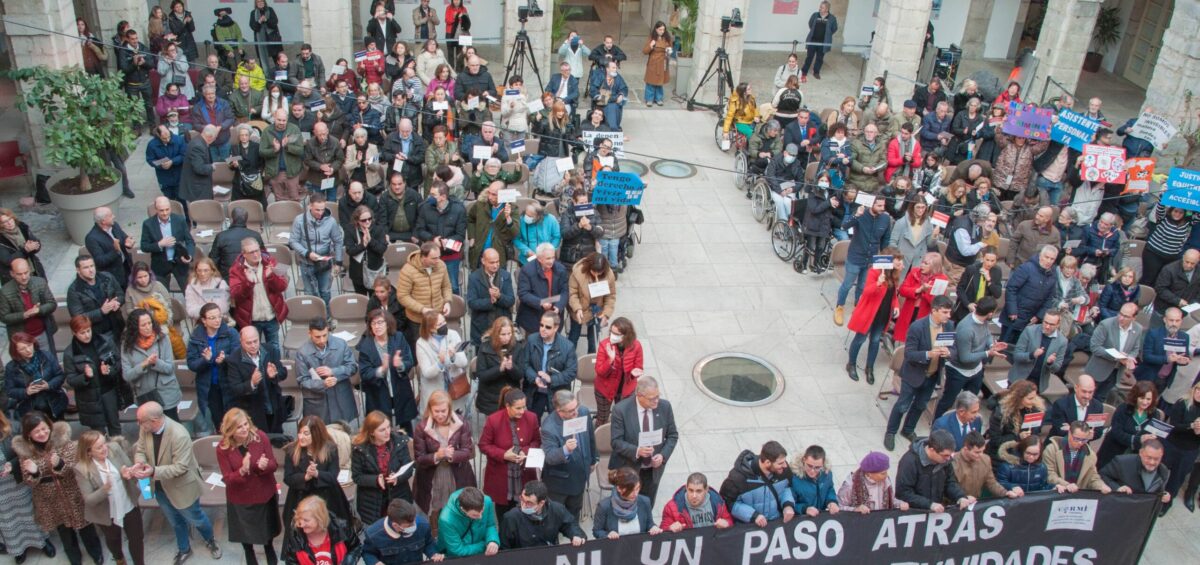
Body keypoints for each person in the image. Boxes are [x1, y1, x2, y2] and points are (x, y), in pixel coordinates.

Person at [131, 402, 222, 562]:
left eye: (140, 421)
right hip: (160, 487)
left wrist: (152, 471)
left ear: (154, 420)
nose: (137, 424)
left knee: (196, 518)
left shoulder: (179, 434)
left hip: (181, 487)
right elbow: (140, 450)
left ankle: (210, 540)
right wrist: (139, 463)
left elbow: (180, 468)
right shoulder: (145, 428)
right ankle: (184, 549)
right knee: (175, 520)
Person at [14, 414, 105, 565]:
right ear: (29, 435)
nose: (42, 433)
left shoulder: (65, 443)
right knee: (65, 532)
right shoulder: (26, 454)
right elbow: (29, 481)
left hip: (73, 492)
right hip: (50, 499)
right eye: (37, 432)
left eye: (44, 429)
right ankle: (74, 557)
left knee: (85, 526)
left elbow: (77, 467)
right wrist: (35, 472)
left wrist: (59, 464)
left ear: (49, 426)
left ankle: (96, 553)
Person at [884, 295, 955, 451]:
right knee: (902, 405)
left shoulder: (949, 326)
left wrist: (948, 353)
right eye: (945, 312)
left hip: (932, 375)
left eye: (949, 312)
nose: (948, 316)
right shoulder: (918, 327)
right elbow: (909, 354)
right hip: (914, 374)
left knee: (920, 405)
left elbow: (954, 349)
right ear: (934, 310)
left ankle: (908, 429)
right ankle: (890, 432)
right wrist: (928, 354)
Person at [215, 408, 281, 565]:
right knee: (244, 531)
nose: (245, 429)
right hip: (240, 496)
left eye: (246, 424)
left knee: (266, 529)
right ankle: (249, 551)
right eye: (239, 427)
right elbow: (228, 479)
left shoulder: (260, 437)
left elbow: (274, 464)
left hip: (263, 493)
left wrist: (263, 466)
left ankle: (268, 548)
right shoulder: (223, 448)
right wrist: (242, 471)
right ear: (230, 430)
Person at [74, 430, 144, 565]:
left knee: (136, 538)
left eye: (104, 443)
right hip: (107, 512)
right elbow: (89, 500)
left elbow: (132, 471)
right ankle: (119, 559)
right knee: (113, 539)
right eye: (99, 447)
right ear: (88, 452)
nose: (105, 448)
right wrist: (105, 489)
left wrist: (128, 474)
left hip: (128, 503)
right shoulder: (82, 468)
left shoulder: (115, 449)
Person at [610, 377, 677, 507]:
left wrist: (663, 455)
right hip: (629, 468)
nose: (656, 401)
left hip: (653, 470)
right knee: (625, 505)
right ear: (639, 395)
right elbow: (616, 442)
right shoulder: (621, 410)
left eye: (658, 396)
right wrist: (637, 451)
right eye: (652, 398)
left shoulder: (665, 407)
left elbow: (672, 435)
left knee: (647, 505)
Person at [412, 391, 476, 523]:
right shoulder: (422, 428)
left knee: (457, 509)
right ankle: (435, 536)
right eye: (436, 411)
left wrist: (451, 454)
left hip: (457, 474)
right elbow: (419, 458)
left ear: (449, 409)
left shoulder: (461, 423)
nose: (440, 415)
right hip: (432, 476)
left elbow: (467, 451)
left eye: (443, 411)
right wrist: (437, 455)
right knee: (433, 510)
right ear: (430, 409)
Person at [936, 297, 1006, 417]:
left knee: (971, 401)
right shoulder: (966, 328)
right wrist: (988, 353)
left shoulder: (983, 320)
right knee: (947, 401)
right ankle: (937, 424)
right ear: (990, 313)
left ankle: (964, 421)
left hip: (976, 370)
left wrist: (991, 345)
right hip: (958, 371)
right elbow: (965, 358)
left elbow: (987, 333)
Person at [478, 387, 540, 517]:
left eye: (524, 407)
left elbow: (536, 442)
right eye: (518, 408)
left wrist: (524, 451)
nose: (522, 411)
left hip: (524, 475)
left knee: (526, 516)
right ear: (507, 406)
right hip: (502, 477)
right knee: (504, 517)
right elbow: (483, 445)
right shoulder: (493, 420)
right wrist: (503, 454)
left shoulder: (532, 418)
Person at [282, 416, 352, 530]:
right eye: (299, 433)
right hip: (300, 497)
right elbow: (288, 478)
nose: (301, 437)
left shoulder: (330, 449)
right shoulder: (292, 451)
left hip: (327, 498)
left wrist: (317, 474)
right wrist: (305, 477)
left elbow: (333, 476)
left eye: (306, 433)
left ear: (316, 434)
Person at [846, 249, 903, 383]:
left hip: (882, 315)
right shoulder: (874, 272)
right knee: (860, 339)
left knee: (876, 341)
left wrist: (895, 306)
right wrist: (877, 283)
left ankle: (869, 367)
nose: (901, 264)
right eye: (898, 261)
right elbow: (866, 292)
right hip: (870, 314)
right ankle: (851, 364)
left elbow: (893, 294)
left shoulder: (893, 274)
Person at [539, 390, 598, 521]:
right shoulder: (549, 427)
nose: (576, 412)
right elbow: (549, 456)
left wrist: (593, 459)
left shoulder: (583, 412)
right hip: (560, 484)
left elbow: (590, 437)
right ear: (560, 412)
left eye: (576, 407)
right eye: (571, 411)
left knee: (574, 514)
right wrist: (565, 449)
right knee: (555, 518)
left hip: (580, 477)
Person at [834, 196, 892, 326]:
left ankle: (858, 305)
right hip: (855, 257)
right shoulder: (860, 213)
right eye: (879, 206)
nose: (882, 209)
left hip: (871, 259)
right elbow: (844, 226)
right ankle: (840, 306)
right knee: (847, 285)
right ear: (871, 205)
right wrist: (856, 215)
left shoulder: (885, 218)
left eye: (883, 205)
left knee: (862, 286)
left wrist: (884, 258)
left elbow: (885, 240)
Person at [351, 411, 415, 527]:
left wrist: (397, 478)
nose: (387, 432)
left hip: (398, 494)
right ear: (371, 432)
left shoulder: (399, 442)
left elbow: (408, 469)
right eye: (382, 430)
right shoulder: (360, 449)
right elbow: (357, 476)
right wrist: (375, 480)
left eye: (388, 427)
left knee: (398, 527)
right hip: (372, 500)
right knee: (378, 531)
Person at [63, 315, 123, 436]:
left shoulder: (105, 341)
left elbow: (118, 362)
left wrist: (109, 370)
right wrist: (85, 376)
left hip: (108, 390)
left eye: (88, 330)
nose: (87, 335)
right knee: (98, 432)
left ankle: (118, 451)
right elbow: (70, 379)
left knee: (115, 426)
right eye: (82, 333)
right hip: (89, 397)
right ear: (74, 333)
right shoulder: (70, 353)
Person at [229, 238, 289, 356]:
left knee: (274, 346)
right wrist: (248, 283)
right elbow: (235, 294)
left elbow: (283, 286)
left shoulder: (271, 262)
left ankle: (275, 371)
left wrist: (271, 277)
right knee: (253, 350)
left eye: (257, 250)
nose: (256, 254)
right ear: (244, 254)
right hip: (251, 318)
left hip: (271, 315)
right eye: (251, 252)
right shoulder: (236, 269)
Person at [120, 308, 182, 420]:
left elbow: (169, 368)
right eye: (143, 325)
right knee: (151, 430)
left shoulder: (163, 338)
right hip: (145, 394)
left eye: (149, 323)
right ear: (135, 327)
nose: (148, 327)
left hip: (166, 393)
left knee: (172, 427)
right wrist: (143, 365)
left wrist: (156, 362)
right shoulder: (127, 345)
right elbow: (127, 375)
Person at [296, 319, 360, 427]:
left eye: (325, 335)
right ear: (309, 333)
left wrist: (334, 371)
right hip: (318, 401)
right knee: (321, 435)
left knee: (343, 431)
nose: (322, 340)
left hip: (340, 395)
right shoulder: (302, 353)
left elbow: (353, 367)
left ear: (328, 331)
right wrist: (323, 384)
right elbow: (303, 381)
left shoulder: (341, 344)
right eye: (317, 337)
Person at [186, 303, 237, 434]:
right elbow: (191, 364)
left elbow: (239, 356)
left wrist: (226, 359)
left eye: (219, 316)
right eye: (212, 318)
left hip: (228, 383)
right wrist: (205, 360)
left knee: (233, 419)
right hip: (209, 387)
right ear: (204, 320)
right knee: (218, 420)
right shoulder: (196, 337)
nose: (217, 320)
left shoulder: (230, 333)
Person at [225, 326, 286, 434]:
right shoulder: (234, 360)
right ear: (241, 341)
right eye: (248, 343)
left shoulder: (269, 349)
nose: (253, 345)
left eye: (255, 341)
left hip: (274, 405)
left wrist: (274, 375)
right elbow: (235, 389)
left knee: (277, 440)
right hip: (253, 411)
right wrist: (251, 383)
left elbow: (283, 372)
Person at [719, 441, 797, 526]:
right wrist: (753, 516)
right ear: (767, 462)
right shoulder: (738, 478)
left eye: (784, 461)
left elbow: (786, 488)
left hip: (776, 525)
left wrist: (788, 505)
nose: (785, 466)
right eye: (780, 463)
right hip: (749, 528)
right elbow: (729, 503)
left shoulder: (784, 471)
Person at [896, 429, 975, 512]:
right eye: (945, 455)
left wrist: (960, 497)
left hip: (935, 511)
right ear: (932, 450)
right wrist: (929, 504)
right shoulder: (909, 462)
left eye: (950, 455)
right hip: (915, 512)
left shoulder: (945, 461)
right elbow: (903, 493)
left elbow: (950, 482)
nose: (949, 458)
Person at [1085, 302, 1145, 404]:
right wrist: (1117, 357)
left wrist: (1129, 358)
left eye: (1126, 316)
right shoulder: (1106, 325)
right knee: (1086, 398)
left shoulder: (1138, 329)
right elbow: (1095, 347)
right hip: (1098, 370)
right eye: (1120, 314)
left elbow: (1135, 349)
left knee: (1100, 399)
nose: (1121, 318)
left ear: (1133, 318)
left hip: (1116, 372)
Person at [520, 311, 576, 419]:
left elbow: (571, 372)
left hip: (557, 390)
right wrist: (535, 378)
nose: (543, 329)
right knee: (533, 422)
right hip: (535, 389)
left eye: (548, 327)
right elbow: (525, 364)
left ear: (556, 328)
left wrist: (551, 379)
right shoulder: (532, 340)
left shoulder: (568, 346)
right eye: (541, 325)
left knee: (558, 424)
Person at [500, 480, 586, 549]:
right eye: (522, 499)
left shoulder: (556, 510)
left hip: (549, 554)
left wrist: (576, 535)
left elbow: (570, 524)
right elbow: (504, 548)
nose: (523, 505)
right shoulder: (511, 517)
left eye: (529, 503)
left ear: (541, 503)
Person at [1001, 245, 1060, 345]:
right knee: (1004, 347)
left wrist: (1039, 316)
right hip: (1014, 317)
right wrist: (1012, 311)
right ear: (1040, 256)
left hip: (1031, 320)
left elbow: (1050, 297)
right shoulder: (1026, 268)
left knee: (1021, 349)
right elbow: (1011, 288)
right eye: (1047, 257)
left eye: (1052, 259)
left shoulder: (1053, 273)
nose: (1049, 261)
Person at [1098, 381, 1161, 470]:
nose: (1145, 402)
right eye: (1142, 398)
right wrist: (1136, 439)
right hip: (1114, 451)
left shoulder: (1154, 414)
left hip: (1134, 456)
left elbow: (1154, 433)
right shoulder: (1123, 408)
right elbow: (1116, 432)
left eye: (1148, 399)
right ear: (1135, 397)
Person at [282, 495, 361, 565]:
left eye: (306, 520)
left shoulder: (341, 528)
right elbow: (291, 561)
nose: (301, 524)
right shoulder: (295, 535)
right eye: (299, 519)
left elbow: (356, 548)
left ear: (320, 518)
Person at [5, 332, 67, 421]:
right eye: (23, 349)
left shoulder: (46, 356)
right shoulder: (11, 367)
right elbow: (10, 391)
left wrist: (48, 385)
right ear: (16, 351)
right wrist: (26, 392)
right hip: (30, 409)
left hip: (54, 403)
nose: (28, 350)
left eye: (29, 345)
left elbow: (60, 375)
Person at [0, 258, 57, 354]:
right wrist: (24, 315)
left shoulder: (40, 282)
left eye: (26, 272)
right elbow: (4, 317)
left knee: (48, 361)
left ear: (30, 270)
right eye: (19, 274)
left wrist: (39, 310)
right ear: (12, 274)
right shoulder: (5, 292)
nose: (24, 277)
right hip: (23, 339)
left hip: (43, 333)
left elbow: (52, 303)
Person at [67, 255, 126, 348]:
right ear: (78, 270)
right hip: (96, 334)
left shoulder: (107, 277)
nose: (91, 270)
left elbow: (121, 294)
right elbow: (78, 318)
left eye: (92, 266)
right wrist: (101, 311)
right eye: (86, 267)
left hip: (117, 327)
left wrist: (117, 302)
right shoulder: (74, 290)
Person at [593, 317, 643, 426]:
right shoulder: (604, 344)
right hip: (605, 389)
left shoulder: (636, 346)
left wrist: (633, 374)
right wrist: (610, 360)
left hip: (626, 390)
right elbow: (599, 371)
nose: (612, 336)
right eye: (611, 332)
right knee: (602, 419)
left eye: (616, 334)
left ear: (626, 335)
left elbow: (638, 366)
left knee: (622, 419)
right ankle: (598, 439)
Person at [893, 251, 950, 344]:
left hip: (924, 314)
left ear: (934, 266)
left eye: (926, 263)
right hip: (908, 310)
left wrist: (926, 292)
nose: (922, 265)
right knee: (902, 339)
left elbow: (936, 302)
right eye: (922, 262)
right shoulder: (914, 272)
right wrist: (917, 290)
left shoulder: (941, 279)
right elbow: (903, 290)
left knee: (917, 340)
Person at [361, 498, 441, 564]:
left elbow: (429, 543)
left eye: (414, 521)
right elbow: (367, 553)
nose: (414, 526)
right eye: (409, 526)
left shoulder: (422, 525)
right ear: (395, 525)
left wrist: (433, 553)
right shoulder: (373, 534)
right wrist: (375, 562)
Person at [1160, 381, 1200, 514]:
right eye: (1198, 389)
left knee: (1176, 480)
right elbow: (1174, 425)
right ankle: (1151, 497)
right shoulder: (1182, 402)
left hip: (1189, 451)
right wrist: (1191, 426)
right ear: (1194, 389)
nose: (1199, 393)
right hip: (1172, 444)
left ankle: (1166, 503)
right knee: (1160, 473)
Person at [140, 195, 194, 293]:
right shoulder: (148, 224)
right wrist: (159, 244)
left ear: (170, 208)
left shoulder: (180, 220)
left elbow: (189, 241)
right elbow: (144, 246)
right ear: (156, 209)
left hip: (179, 262)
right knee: (162, 295)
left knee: (189, 293)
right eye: (161, 210)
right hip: (160, 264)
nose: (165, 213)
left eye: (167, 209)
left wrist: (189, 255)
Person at [474, 316, 524, 418]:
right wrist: (499, 369)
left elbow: (520, 375)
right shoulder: (484, 347)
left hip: (510, 395)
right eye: (503, 334)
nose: (506, 337)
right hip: (489, 397)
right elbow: (482, 375)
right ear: (496, 334)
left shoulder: (517, 347)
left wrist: (512, 368)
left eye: (509, 334)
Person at [1044, 420, 1111, 494]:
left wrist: (1101, 486)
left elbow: (1092, 477)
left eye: (1084, 440)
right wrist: (1066, 485)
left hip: (1078, 496)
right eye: (1077, 439)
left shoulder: (1090, 455)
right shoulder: (1052, 449)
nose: (1080, 443)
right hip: (1057, 494)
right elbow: (1049, 474)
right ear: (1069, 433)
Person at [986, 379, 1045, 462]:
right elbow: (995, 441)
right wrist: (1018, 437)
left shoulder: (1035, 410)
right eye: (1030, 398)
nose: (1033, 401)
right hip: (1002, 456)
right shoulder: (1000, 413)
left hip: (1024, 454)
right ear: (1018, 398)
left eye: (1035, 397)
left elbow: (1036, 432)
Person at [593, 467, 661, 539]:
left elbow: (649, 524)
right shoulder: (604, 506)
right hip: (615, 548)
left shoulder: (644, 501)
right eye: (631, 490)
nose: (635, 494)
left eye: (637, 488)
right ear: (619, 488)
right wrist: (607, 535)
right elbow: (597, 531)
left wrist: (653, 527)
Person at [465, 248, 515, 346]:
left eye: (497, 262)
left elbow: (511, 300)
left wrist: (499, 296)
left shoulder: (505, 276)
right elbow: (472, 302)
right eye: (492, 262)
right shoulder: (474, 277)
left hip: (502, 327)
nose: (496, 265)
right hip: (481, 327)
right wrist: (490, 301)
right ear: (483, 261)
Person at [1009, 310, 1069, 390]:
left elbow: (1057, 368)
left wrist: (1050, 363)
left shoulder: (1062, 341)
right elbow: (1016, 355)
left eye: (1051, 324)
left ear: (1058, 325)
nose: (1047, 326)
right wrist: (1032, 355)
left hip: (1038, 383)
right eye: (1045, 322)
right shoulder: (1029, 331)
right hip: (1019, 378)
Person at [1141, 204, 1200, 286]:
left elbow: (1198, 216)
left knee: (1161, 281)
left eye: (1181, 212)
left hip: (1171, 257)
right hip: (1153, 253)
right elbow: (1160, 207)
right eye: (1175, 211)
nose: (1177, 214)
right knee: (1148, 279)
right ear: (1171, 211)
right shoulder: (1163, 217)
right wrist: (1164, 196)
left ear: (1184, 214)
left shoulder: (1188, 222)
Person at [1100, 439, 1171, 507]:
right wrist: (1117, 488)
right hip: (1117, 507)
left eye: (1156, 459)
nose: (1152, 462)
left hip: (1141, 514)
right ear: (1140, 453)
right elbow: (1102, 475)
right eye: (1149, 458)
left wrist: (1163, 495)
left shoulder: (1163, 471)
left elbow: (1158, 492)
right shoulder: (1122, 462)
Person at [1136, 307, 1192, 391]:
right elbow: (1146, 356)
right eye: (1171, 320)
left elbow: (1185, 355)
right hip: (1148, 376)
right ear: (1165, 319)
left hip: (1164, 380)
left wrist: (1184, 361)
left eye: (1177, 321)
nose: (1174, 324)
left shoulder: (1184, 337)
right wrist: (1167, 359)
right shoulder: (1153, 333)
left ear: (1181, 321)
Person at [952, 431, 1018, 500]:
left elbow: (991, 483)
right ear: (966, 449)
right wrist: (962, 497)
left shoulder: (985, 459)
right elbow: (951, 487)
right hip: (955, 504)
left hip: (975, 502)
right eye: (977, 452)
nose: (981, 455)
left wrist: (1005, 492)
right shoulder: (953, 462)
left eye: (983, 451)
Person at [439, 486, 500, 558]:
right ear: (463, 509)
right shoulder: (446, 519)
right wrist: (484, 545)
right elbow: (457, 550)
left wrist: (492, 540)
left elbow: (490, 525)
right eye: (475, 515)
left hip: (480, 553)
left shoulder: (487, 501)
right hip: (459, 557)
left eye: (482, 511)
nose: (480, 516)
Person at [837, 452, 907, 513]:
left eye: (886, 472)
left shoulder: (885, 481)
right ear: (870, 473)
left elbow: (891, 500)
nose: (886, 476)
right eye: (883, 473)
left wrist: (900, 504)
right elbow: (838, 506)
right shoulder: (851, 485)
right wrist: (855, 510)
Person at [1048, 374, 1105, 441]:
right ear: (1076, 388)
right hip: (1060, 444)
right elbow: (1061, 431)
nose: (1087, 396)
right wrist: (1086, 434)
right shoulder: (1060, 404)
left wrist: (1071, 429)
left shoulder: (1097, 406)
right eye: (1084, 391)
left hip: (1082, 446)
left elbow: (1098, 432)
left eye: (1090, 392)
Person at [952, 246, 1001, 322]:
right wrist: (968, 304)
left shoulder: (997, 271)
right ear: (982, 257)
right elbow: (960, 289)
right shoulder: (972, 269)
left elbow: (997, 294)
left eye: (992, 261)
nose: (989, 263)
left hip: (983, 311)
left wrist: (989, 280)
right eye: (987, 260)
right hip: (967, 308)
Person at [145, 125, 187, 207]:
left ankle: (185, 218)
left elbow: (184, 155)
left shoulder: (179, 140)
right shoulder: (152, 145)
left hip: (179, 175)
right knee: (168, 201)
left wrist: (173, 161)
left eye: (169, 137)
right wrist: (161, 164)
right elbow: (150, 160)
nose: (167, 140)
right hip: (164, 178)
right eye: (164, 138)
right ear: (158, 136)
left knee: (182, 200)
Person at [1154, 249, 1200, 316]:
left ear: (1198, 261)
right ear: (1183, 257)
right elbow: (1160, 289)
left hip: (1185, 311)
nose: (1189, 265)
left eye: (1193, 263)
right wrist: (1178, 301)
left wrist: (1195, 302)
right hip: (1164, 310)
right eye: (1187, 262)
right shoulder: (1169, 269)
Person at [801, 2, 838, 81]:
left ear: (827, 9)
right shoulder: (815, 15)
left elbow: (834, 28)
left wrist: (828, 34)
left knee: (819, 58)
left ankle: (816, 72)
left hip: (823, 43)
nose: (820, 9)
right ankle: (804, 71)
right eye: (820, 7)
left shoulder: (832, 18)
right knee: (809, 57)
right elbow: (810, 24)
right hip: (813, 41)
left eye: (822, 7)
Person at [590, 61, 629, 130]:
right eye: (613, 68)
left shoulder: (618, 77)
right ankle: (611, 128)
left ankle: (613, 127)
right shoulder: (600, 76)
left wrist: (621, 95)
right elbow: (593, 90)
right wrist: (598, 96)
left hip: (612, 100)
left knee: (615, 106)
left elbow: (624, 88)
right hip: (602, 101)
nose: (615, 70)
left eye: (616, 68)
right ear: (607, 69)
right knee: (611, 105)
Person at [641, 22, 671, 106]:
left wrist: (669, 52)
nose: (662, 31)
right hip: (653, 62)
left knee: (660, 82)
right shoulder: (651, 38)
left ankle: (659, 98)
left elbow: (670, 48)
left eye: (663, 29)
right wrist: (651, 45)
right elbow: (645, 51)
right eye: (660, 29)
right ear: (656, 29)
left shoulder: (667, 38)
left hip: (663, 62)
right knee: (651, 81)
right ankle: (649, 99)